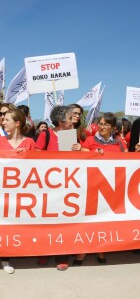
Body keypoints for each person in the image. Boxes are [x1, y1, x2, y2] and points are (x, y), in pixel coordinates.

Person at [0, 109, 36, 275]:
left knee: (9, 225)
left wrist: (25, 157)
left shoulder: (30, 143)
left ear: (17, 123)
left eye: (7, 120)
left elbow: (38, 168)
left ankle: (5, 257)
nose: (3, 122)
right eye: (3, 120)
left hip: (19, 192)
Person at [73, 112, 127, 266]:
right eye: (100, 123)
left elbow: (127, 159)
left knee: (103, 220)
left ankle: (100, 249)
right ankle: (81, 251)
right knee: (86, 219)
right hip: (90, 187)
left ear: (113, 128)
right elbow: (80, 156)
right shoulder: (90, 140)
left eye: (106, 124)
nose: (102, 126)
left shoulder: (120, 143)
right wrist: (92, 153)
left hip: (111, 188)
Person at [35, 105, 81, 271]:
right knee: (46, 222)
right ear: (61, 121)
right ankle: (43, 252)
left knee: (64, 222)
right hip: (48, 186)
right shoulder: (45, 134)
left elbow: (74, 162)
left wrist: (78, 150)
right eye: (70, 118)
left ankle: (61, 254)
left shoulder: (70, 135)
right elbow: (35, 156)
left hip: (65, 185)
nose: (73, 120)